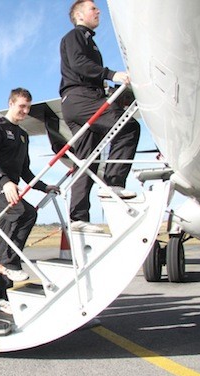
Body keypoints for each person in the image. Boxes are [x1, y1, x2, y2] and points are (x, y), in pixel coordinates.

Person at [59, 0, 140, 233]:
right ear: (79, 15)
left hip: (74, 102)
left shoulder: (88, 41)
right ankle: (114, 183)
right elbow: (79, 64)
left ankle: (78, 217)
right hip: (81, 98)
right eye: (93, 8)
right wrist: (112, 74)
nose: (98, 11)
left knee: (87, 159)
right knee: (128, 126)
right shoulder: (76, 37)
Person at [0, 87, 59, 313]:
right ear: (11, 103)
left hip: (10, 190)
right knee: (26, 213)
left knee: (4, 243)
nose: (25, 111)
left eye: (28, 107)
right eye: (21, 106)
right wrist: (4, 181)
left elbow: (25, 170)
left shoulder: (23, 135)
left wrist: (44, 187)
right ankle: (9, 263)